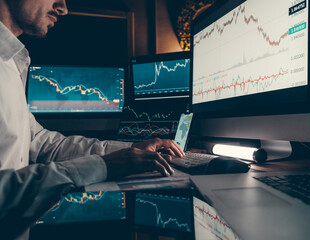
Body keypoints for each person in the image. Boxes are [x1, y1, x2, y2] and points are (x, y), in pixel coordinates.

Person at [0, 0, 185, 239]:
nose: (63, 7)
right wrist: (104, 165)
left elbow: (44, 142)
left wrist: (131, 150)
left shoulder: (11, 63)